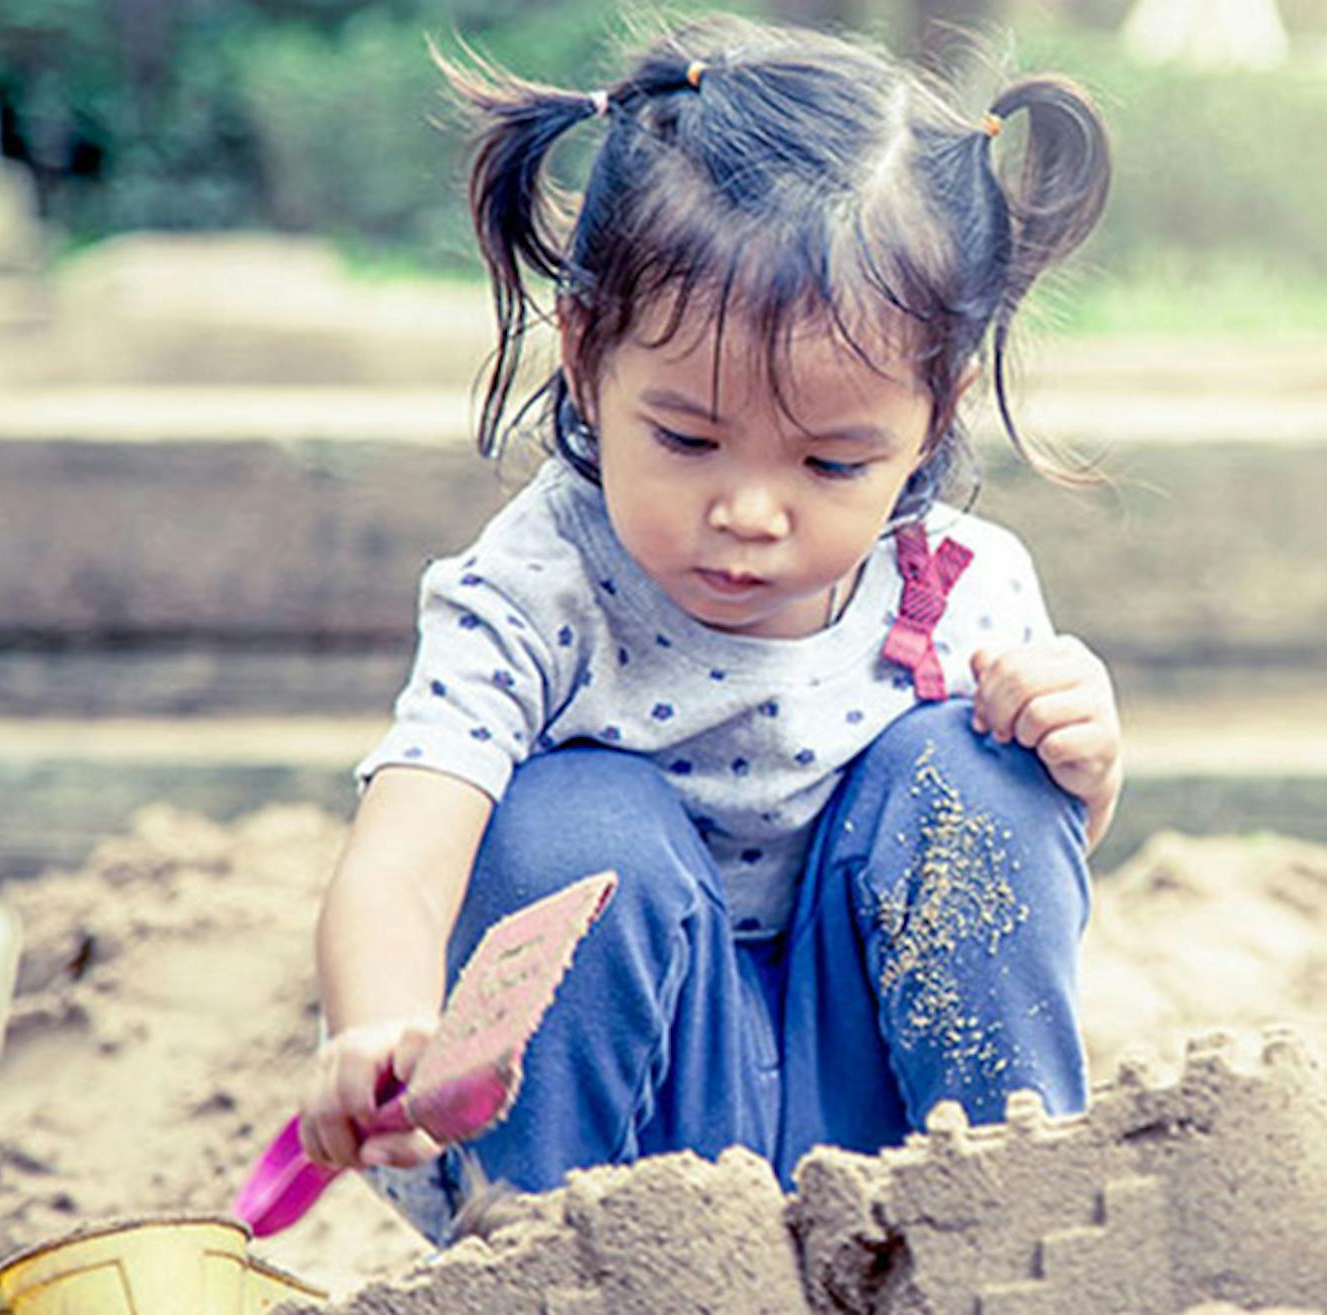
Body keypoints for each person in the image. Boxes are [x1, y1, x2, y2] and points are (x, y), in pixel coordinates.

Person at [294, 12, 1119, 1243]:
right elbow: (405, 860)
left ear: (933, 417)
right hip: (629, 1134)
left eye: (833, 461)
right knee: (569, 817)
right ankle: (544, 1251)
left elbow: (1033, 874)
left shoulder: (962, 581)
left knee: (980, 776)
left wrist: (1083, 764)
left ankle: (1017, 1227)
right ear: (584, 359)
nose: (747, 511)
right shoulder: (533, 595)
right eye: (685, 438)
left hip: (889, 1118)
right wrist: (377, 1028)